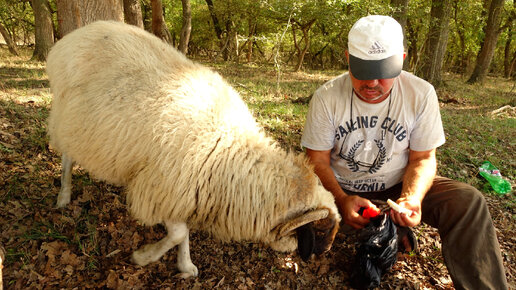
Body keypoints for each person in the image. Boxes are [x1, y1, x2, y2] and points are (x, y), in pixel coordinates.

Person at [301, 15, 508, 289]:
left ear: (402, 58)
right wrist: (341, 199)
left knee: (468, 201)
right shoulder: (327, 97)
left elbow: (422, 158)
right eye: (362, 70)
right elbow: (316, 160)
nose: (373, 83)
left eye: (384, 71)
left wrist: (412, 198)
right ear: (348, 59)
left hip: (398, 186)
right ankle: (384, 228)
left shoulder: (420, 94)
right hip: (343, 188)